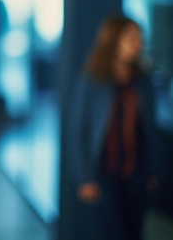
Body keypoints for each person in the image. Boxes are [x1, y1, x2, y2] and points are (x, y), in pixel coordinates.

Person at [68, 14, 160, 240]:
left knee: (135, 233)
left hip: (137, 175)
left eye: (139, 38)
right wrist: (84, 177)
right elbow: (77, 130)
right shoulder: (93, 79)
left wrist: (152, 170)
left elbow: (149, 130)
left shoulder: (143, 81)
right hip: (104, 175)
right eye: (130, 37)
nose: (137, 43)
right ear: (114, 40)